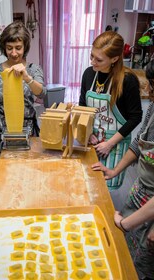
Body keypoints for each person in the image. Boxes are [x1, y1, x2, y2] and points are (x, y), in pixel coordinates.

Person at [92, 59, 154, 279]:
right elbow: (139, 143)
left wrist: (126, 223)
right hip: (141, 192)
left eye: (153, 85)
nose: (148, 90)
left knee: (144, 266)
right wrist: (115, 170)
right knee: (126, 256)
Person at [0, 21, 46, 158]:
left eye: (18, 48)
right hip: (3, 132)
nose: (14, 53)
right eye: (9, 48)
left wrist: (27, 78)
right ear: (4, 48)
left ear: (25, 47)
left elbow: (41, 93)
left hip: (28, 130)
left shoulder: (33, 69)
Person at [79, 31, 143, 190]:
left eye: (99, 59)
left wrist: (109, 144)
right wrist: (88, 132)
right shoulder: (88, 74)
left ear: (114, 59)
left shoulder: (127, 80)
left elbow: (136, 117)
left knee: (104, 191)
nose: (93, 62)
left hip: (114, 146)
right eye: (91, 56)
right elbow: (82, 106)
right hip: (91, 141)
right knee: (87, 185)